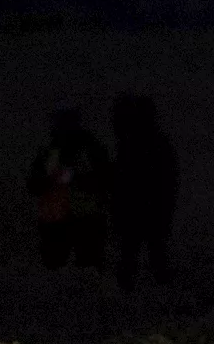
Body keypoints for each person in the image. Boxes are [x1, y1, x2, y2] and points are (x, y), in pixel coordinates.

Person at [26, 108, 110, 270]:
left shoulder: (91, 149)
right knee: (56, 271)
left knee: (87, 273)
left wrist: (75, 178)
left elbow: (105, 180)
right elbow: (33, 185)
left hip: (86, 224)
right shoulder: (48, 151)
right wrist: (47, 180)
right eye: (59, 123)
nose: (61, 128)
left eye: (65, 123)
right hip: (55, 225)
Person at [111, 93, 177, 292]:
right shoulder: (154, 144)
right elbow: (170, 181)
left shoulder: (131, 145)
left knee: (135, 257)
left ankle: (136, 295)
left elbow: (120, 180)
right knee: (151, 256)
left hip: (139, 209)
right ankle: (161, 295)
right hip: (149, 209)